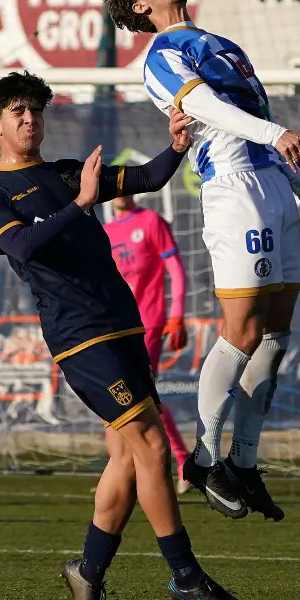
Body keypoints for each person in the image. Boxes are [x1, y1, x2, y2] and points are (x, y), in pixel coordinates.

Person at [0, 72, 249, 600]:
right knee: (151, 448)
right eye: (18, 111)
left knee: (125, 459)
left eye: (36, 111)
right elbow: (22, 244)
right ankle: (185, 575)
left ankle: (87, 575)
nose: (29, 119)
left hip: (123, 326)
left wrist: (175, 146)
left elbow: (146, 176)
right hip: (80, 337)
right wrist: (82, 204)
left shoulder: (67, 173)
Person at [102, 0, 300, 522]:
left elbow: (254, 121)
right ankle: (205, 461)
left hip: (274, 189)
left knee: (277, 338)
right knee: (243, 330)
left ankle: (245, 463)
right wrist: (278, 130)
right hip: (234, 193)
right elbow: (209, 108)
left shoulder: (222, 43)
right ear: (141, 6)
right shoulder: (160, 57)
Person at [104, 193, 191, 494]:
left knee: (140, 395)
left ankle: (181, 463)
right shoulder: (106, 232)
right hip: (116, 327)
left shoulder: (151, 222)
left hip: (149, 324)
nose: (121, 192)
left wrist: (177, 315)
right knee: (117, 394)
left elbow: (176, 270)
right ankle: (121, 465)